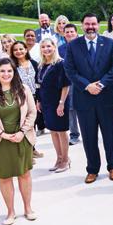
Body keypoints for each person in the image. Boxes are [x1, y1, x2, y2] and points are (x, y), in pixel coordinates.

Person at [63, 14, 113, 183]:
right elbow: (70, 70)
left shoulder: (110, 43)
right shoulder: (73, 45)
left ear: (98, 25)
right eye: (87, 24)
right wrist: (87, 86)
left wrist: (101, 84)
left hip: (107, 98)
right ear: (82, 25)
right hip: (84, 98)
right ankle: (92, 169)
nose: (90, 27)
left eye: (93, 24)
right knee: (89, 137)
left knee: (110, 135)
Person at [0, 56, 37, 225]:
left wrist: (22, 132)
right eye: (2, 71)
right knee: (4, 177)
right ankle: (10, 212)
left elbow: (32, 112)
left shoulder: (24, 89)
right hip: (0, 142)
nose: (6, 74)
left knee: (24, 174)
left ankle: (28, 208)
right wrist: (1, 134)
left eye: (9, 71)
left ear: (14, 72)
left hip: (22, 138)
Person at [36, 35, 72, 173]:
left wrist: (61, 103)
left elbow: (66, 85)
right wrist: (39, 100)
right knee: (53, 130)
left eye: (48, 46)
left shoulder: (60, 64)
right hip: (46, 103)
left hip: (59, 101)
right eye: (43, 47)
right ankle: (59, 158)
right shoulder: (41, 65)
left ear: (54, 47)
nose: (46, 49)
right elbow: (38, 84)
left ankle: (66, 159)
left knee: (61, 131)